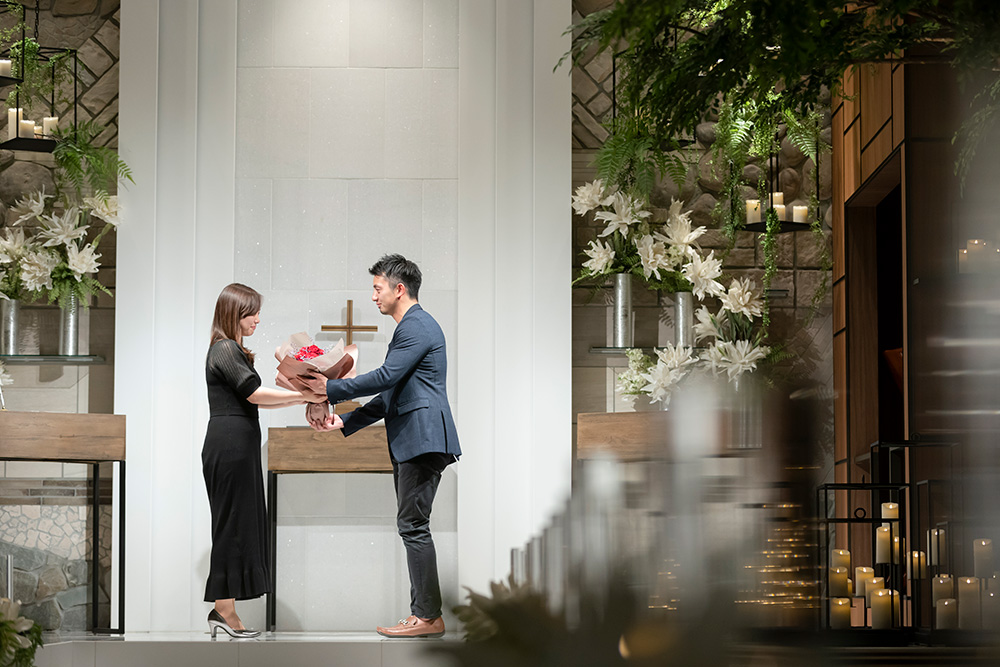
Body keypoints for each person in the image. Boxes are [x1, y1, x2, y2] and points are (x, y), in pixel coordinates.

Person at [305, 254, 461, 638]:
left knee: (413, 525)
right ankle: (423, 614)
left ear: (399, 289)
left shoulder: (417, 326)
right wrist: (346, 420)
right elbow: (391, 392)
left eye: (378, 288)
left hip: (423, 439)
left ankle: (428, 617)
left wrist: (330, 388)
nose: (373, 296)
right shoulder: (411, 327)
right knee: (412, 525)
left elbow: (386, 376)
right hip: (415, 440)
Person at [203, 283, 321, 638]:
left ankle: (225, 609)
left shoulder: (231, 349)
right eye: (251, 313)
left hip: (238, 445)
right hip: (229, 446)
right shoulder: (224, 349)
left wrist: (303, 395)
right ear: (234, 313)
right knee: (230, 523)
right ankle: (224, 610)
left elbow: (253, 398)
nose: (257, 319)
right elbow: (254, 394)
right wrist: (304, 396)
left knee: (237, 522)